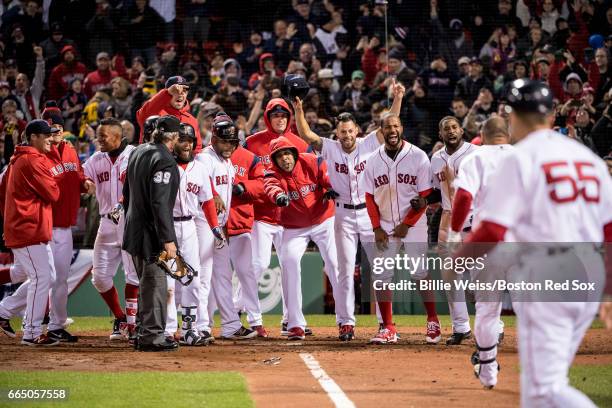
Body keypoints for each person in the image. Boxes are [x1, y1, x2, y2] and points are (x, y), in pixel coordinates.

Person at [455, 80, 611, 401]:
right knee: (543, 385)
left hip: (544, 265)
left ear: (514, 116)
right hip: (588, 269)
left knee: (544, 389)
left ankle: (487, 365)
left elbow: (492, 231)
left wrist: (456, 259)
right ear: (552, 115)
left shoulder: (520, 157)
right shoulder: (588, 159)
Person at [292, 79, 406, 341]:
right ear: (337, 133)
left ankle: (385, 324)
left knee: (380, 268)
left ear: (357, 131)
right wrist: (298, 110)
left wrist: (397, 98)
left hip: (369, 214)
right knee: (343, 270)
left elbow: (391, 123)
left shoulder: (369, 144)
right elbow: (306, 135)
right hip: (342, 215)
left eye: (350, 131)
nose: (346, 136)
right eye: (342, 132)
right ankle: (345, 323)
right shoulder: (330, 148)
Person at [363, 113, 441, 344]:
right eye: (388, 127)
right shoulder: (372, 160)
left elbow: (426, 195)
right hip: (385, 224)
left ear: (402, 128)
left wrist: (407, 224)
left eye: (396, 126)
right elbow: (369, 197)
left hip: (414, 224)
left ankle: (433, 321)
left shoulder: (417, 156)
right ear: (382, 130)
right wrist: (376, 227)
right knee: (381, 274)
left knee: (419, 272)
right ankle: (388, 327)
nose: (393, 130)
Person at [449, 116, 514, 388]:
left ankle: (488, 372)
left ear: (482, 136)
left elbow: (463, 198)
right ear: (508, 135)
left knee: (488, 309)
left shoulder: (475, 158)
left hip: (490, 242)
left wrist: (454, 232)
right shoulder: (526, 157)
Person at [263, 136, 341, 341]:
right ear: (275, 160)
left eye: (288, 153)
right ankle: (295, 323)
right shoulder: (272, 173)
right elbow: (271, 187)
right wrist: (278, 196)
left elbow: (324, 172)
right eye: (280, 156)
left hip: (324, 219)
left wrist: (329, 185)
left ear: (294, 153)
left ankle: (344, 320)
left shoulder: (310, 160)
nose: (285, 159)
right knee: (288, 262)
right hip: (294, 227)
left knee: (334, 263)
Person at [244, 98, 311, 335]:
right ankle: (253, 319)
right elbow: (244, 173)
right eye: (275, 115)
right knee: (259, 264)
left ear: (289, 117)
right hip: (262, 215)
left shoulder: (300, 143)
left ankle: (291, 319)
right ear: (267, 117)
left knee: (291, 267)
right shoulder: (252, 143)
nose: (280, 119)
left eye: (284, 115)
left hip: (291, 218)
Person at [195, 112, 258, 340]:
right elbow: (202, 184)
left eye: (232, 141)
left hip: (219, 228)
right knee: (203, 277)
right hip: (202, 225)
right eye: (225, 141)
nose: (230, 145)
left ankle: (230, 324)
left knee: (222, 276)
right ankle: (200, 326)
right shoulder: (205, 158)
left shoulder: (227, 161)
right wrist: (213, 194)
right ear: (213, 139)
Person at [122, 115, 181, 352]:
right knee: (155, 286)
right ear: (174, 137)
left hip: (134, 230)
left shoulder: (137, 152)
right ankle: (153, 337)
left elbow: (126, 193)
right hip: (151, 235)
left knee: (146, 286)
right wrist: (168, 239)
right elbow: (159, 203)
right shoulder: (165, 160)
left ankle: (144, 333)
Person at [0, 120, 60, 345]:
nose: (50, 139)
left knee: (46, 277)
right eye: (46, 135)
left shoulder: (17, 160)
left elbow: (1, 193)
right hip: (28, 228)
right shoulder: (32, 160)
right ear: (33, 136)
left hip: (25, 226)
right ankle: (32, 332)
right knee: (41, 278)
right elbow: (53, 194)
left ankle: (4, 311)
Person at [83, 118, 139, 340]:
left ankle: (135, 325)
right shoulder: (96, 159)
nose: (99, 139)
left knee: (132, 275)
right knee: (99, 277)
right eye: (98, 135)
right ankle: (121, 318)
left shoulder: (134, 154)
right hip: (106, 221)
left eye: (103, 136)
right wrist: (84, 184)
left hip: (130, 219)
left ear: (118, 135)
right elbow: (82, 177)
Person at [430, 116, 479, 345]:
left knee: (484, 281)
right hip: (449, 225)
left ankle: (494, 327)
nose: (450, 131)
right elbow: (434, 193)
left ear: (461, 130)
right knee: (451, 280)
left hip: (475, 222)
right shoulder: (436, 159)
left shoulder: (475, 153)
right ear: (440, 135)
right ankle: (460, 327)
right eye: (446, 128)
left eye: (454, 127)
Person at [167, 123, 216, 346]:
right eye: (182, 140)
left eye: (190, 140)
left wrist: (214, 227)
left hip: (190, 228)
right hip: (167, 229)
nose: (187, 144)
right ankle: (167, 330)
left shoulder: (200, 169)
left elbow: (207, 202)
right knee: (168, 283)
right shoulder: (165, 166)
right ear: (173, 142)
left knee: (192, 280)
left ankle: (189, 329)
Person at [228, 143, 268, 337]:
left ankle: (256, 321)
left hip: (240, 222)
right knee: (208, 277)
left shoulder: (249, 157)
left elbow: (262, 184)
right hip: (213, 225)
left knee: (247, 273)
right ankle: (203, 324)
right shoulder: (204, 156)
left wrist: (244, 187)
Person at [136, 76, 201, 151]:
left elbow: (196, 150)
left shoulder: (192, 120)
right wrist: (167, 93)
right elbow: (142, 116)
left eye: (184, 90)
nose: (180, 94)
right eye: (175, 91)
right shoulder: (155, 113)